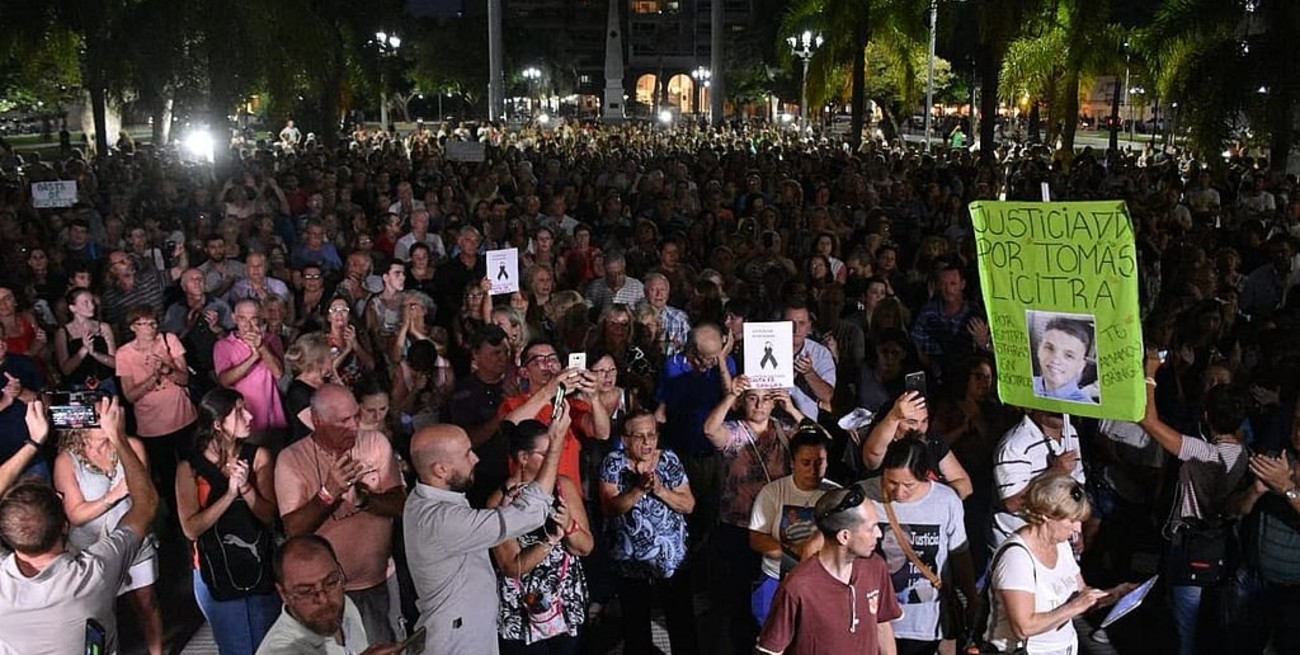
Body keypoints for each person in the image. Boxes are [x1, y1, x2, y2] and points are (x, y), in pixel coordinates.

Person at [403, 402, 570, 655]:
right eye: (467, 454)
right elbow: (531, 514)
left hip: (463, 628)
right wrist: (555, 444)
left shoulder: (421, 498)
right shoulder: (441, 519)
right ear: (441, 469)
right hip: (458, 640)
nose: (476, 458)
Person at [0, 398, 158, 655]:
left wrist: (33, 442)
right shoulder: (94, 571)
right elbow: (148, 505)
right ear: (64, 526)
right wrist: (119, 438)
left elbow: (143, 505)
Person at [276, 385, 407, 645]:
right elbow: (293, 530)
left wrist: (365, 499)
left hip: (378, 581)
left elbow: (401, 504)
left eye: (356, 417)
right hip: (325, 595)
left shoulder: (376, 443)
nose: (355, 426)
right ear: (317, 421)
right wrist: (328, 493)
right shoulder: (291, 459)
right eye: (343, 421)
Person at [1137, 352, 1249, 655]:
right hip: (1220, 546)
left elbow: (1148, 420)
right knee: (1210, 625)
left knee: (1186, 629)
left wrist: (1150, 372)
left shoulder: (1205, 453)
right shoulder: (1242, 453)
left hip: (1193, 547)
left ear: (1207, 417)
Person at [176, 389, 282, 655]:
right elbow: (191, 528)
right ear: (217, 424)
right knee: (234, 648)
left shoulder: (259, 457)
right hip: (214, 568)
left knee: (267, 646)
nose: (249, 416)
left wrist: (246, 488)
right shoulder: (190, 467)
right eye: (238, 412)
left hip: (258, 563)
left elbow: (268, 516)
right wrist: (229, 494)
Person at [981, 473, 1135, 655]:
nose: (1078, 528)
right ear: (1047, 516)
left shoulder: (1061, 546)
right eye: (1072, 520)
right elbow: (1023, 627)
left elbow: (1082, 594)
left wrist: (1115, 594)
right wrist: (1074, 606)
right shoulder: (1017, 558)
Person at [52, 417, 163, 655]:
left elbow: (148, 497)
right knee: (101, 614)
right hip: (93, 549)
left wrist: (118, 439)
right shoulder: (66, 461)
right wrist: (114, 495)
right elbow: (75, 515)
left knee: (147, 604)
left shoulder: (132, 446)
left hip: (135, 542)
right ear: (81, 424)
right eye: (100, 416)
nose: (109, 419)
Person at [755, 483, 902, 655]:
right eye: (871, 528)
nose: (879, 534)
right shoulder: (798, 586)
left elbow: (882, 626)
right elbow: (771, 650)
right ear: (844, 536)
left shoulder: (876, 567)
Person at [489, 420, 594, 653]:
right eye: (546, 453)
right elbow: (511, 566)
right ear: (523, 458)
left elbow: (585, 548)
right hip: (523, 607)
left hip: (564, 601)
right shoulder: (499, 503)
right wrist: (549, 541)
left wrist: (569, 526)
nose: (554, 459)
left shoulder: (563, 487)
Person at [866, 437, 978, 655]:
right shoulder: (866, 495)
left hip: (925, 623)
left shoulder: (945, 500)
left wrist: (971, 598)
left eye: (908, 485)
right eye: (891, 482)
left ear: (925, 475)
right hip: (875, 620)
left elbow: (959, 554)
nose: (899, 493)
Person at [599, 410, 698, 655]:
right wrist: (639, 490)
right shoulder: (613, 462)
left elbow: (689, 504)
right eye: (639, 436)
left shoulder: (670, 460)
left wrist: (660, 490)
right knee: (635, 629)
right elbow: (610, 508)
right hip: (630, 562)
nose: (647, 443)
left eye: (652, 435)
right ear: (625, 439)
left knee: (682, 625)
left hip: (671, 560)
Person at [748, 427, 840, 625]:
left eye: (819, 462)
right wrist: (794, 553)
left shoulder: (837, 495)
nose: (813, 470)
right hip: (776, 577)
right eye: (805, 463)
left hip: (822, 580)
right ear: (792, 463)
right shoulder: (772, 492)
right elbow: (757, 538)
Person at [257, 536, 401, 655]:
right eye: (306, 591)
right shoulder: (279, 651)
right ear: (283, 594)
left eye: (330, 582)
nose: (324, 599)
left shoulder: (346, 606)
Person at [116, 304, 198, 505]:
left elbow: (185, 379)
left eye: (153, 323)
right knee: (167, 475)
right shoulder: (124, 354)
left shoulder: (169, 340)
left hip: (184, 418)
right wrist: (153, 378)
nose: (151, 328)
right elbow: (130, 396)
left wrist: (165, 369)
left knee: (194, 468)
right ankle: (175, 515)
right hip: (153, 427)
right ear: (133, 327)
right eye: (145, 324)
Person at [216, 298, 287, 438]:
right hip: (242, 421)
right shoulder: (223, 345)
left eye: (253, 319)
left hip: (271, 416)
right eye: (242, 318)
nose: (248, 325)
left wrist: (261, 347)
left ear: (260, 319)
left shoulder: (272, 340)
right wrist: (253, 358)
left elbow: (278, 373)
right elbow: (225, 380)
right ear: (234, 318)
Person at [54, 288, 117, 393]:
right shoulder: (63, 332)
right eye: (85, 303)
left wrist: (95, 353)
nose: (91, 306)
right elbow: (66, 369)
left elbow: (115, 363)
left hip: (105, 384)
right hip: (78, 387)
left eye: (92, 302)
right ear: (73, 308)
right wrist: (84, 350)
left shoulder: (103, 327)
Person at [1031, 318, 1098, 404]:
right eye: (1049, 348)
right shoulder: (1023, 385)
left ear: (1081, 365)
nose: (1055, 360)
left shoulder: (1087, 407)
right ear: (1039, 349)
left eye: (1069, 355)